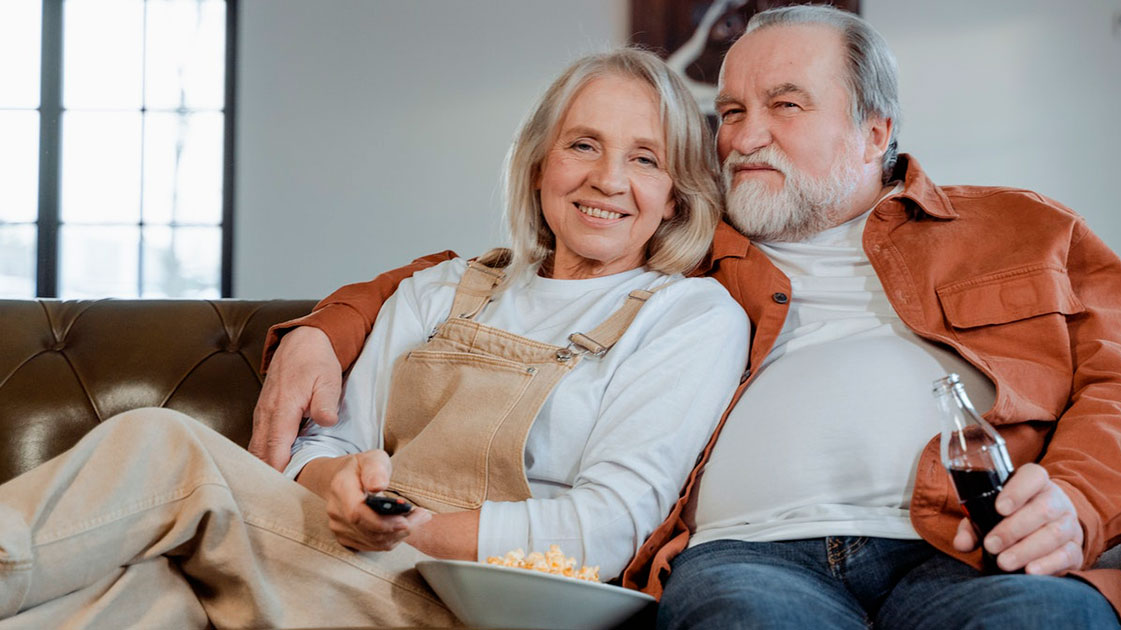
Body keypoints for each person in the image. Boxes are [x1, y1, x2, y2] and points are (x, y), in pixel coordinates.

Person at [251, 6, 1121, 630]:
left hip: (970, 553)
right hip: (752, 557)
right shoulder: (690, 234)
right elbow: (500, 268)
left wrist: (1079, 502)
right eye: (730, 109)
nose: (743, 134)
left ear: (874, 129)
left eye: (784, 104)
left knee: (1036, 621)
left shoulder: (1027, 229)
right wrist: (326, 329)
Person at [0, 49, 750, 628]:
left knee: (169, 448)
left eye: (644, 158)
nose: (610, 179)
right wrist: (343, 494)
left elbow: (605, 529)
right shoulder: (439, 289)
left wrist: (415, 529)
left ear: (675, 194)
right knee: (142, 597)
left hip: (482, 606)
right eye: (583, 145)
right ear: (538, 167)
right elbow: (320, 451)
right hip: (345, 560)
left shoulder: (687, 318)